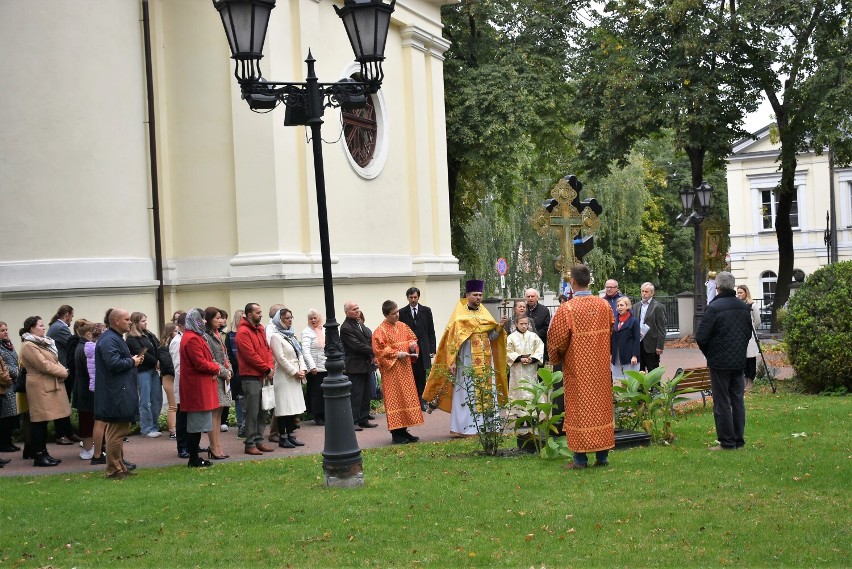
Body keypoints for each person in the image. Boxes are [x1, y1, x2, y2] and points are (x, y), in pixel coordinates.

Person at [547, 264, 615, 469]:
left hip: (578, 370)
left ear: (572, 282)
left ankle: (580, 460)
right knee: (601, 409)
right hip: (601, 367)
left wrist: (555, 358)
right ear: (589, 282)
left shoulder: (567, 308)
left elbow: (556, 339)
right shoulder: (604, 306)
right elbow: (611, 329)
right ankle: (602, 458)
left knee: (579, 410)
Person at [423, 279, 508, 437]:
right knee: (466, 393)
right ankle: (464, 429)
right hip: (466, 363)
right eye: (475, 294)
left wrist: (499, 327)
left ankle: (488, 427)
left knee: (486, 393)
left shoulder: (485, 314)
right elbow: (452, 343)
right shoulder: (459, 317)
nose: (478, 297)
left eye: (480, 295)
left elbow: (493, 337)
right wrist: (452, 361)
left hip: (485, 363)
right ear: (467, 295)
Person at [697, 272, 753, 451]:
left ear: (717, 286)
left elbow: (702, 337)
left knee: (722, 402)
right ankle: (738, 440)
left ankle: (727, 442)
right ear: (733, 286)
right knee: (737, 400)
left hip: (720, 362)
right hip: (738, 360)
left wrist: (710, 354)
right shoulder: (743, 307)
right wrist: (739, 350)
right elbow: (747, 333)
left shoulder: (714, 307)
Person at [94, 309, 143, 479]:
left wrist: (132, 361)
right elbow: (113, 363)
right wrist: (132, 361)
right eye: (127, 319)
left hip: (118, 390)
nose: (130, 322)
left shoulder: (114, 338)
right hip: (116, 393)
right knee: (117, 432)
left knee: (117, 431)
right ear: (116, 321)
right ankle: (114, 470)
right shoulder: (109, 340)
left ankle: (119, 467)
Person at [18, 315, 71, 468]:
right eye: (40, 325)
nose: (43, 328)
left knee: (43, 421)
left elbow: (53, 360)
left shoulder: (43, 343)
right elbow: (43, 365)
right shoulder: (29, 345)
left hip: (47, 384)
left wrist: (62, 368)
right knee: (39, 421)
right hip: (39, 386)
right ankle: (39, 455)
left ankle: (44, 453)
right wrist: (64, 372)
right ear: (31, 328)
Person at [372, 300, 424, 444]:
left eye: (397, 312)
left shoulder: (403, 326)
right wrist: (397, 354)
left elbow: (412, 338)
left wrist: (413, 347)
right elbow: (379, 350)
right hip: (392, 372)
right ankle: (396, 433)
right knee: (395, 400)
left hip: (405, 370)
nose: (397, 315)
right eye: (394, 313)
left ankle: (404, 431)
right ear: (386, 314)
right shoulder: (380, 331)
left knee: (406, 399)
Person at [179, 308, 225, 467]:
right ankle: (194, 458)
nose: (205, 321)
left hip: (200, 385)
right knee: (196, 425)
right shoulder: (192, 338)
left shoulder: (194, 336)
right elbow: (199, 363)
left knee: (198, 424)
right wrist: (216, 369)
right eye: (202, 319)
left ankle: (195, 458)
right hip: (197, 387)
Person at [235, 303, 276, 456]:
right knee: (252, 412)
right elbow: (250, 355)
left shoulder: (260, 329)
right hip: (251, 376)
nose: (261, 315)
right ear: (249, 314)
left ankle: (259, 439)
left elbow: (267, 350)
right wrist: (266, 368)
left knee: (263, 410)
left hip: (264, 375)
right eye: (258, 312)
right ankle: (250, 443)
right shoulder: (243, 332)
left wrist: (270, 367)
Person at [269, 308, 307, 449]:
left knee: (293, 408)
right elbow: (280, 358)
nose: (290, 320)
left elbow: (300, 354)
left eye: (291, 317)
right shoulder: (275, 337)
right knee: (284, 408)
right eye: (286, 318)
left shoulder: (291, 336)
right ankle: (283, 437)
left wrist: (302, 369)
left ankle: (291, 435)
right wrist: (294, 372)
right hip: (284, 377)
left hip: (295, 375)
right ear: (279, 320)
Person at [397, 287, 437, 411]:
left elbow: (431, 330)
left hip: (423, 349)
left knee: (421, 376)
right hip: (409, 350)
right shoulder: (402, 312)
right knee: (410, 376)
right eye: (411, 298)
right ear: (407, 298)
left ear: (418, 297)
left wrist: (432, 348)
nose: (413, 300)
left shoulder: (426, 311)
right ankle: (412, 402)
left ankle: (423, 401)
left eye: (415, 297)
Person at [340, 301, 378, 431]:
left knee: (365, 394)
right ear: (347, 312)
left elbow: (369, 339)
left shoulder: (359, 324)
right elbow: (356, 345)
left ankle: (363, 418)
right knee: (356, 394)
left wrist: (373, 354)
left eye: (358, 308)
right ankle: (354, 421)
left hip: (366, 364)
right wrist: (374, 351)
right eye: (354, 309)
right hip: (355, 365)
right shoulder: (345, 328)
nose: (357, 311)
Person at [46, 304, 80, 445]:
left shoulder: (56, 326)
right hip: (63, 371)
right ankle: (62, 434)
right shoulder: (60, 328)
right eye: (71, 316)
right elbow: (74, 343)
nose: (71, 319)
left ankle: (68, 432)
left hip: (63, 370)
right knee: (61, 404)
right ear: (66, 315)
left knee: (64, 403)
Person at [126, 312, 163, 437]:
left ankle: (154, 426)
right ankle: (146, 428)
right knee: (145, 401)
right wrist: (156, 361)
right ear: (135, 323)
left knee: (157, 399)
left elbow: (159, 346)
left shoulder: (148, 334)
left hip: (153, 370)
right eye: (143, 321)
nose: (146, 323)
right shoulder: (131, 338)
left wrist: (160, 360)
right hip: (142, 371)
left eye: (146, 320)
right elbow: (141, 353)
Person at [203, 307, 232, 459]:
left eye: (221, 318)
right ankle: (213, 446)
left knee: (219, 414)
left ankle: (218, 445)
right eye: (217, 318)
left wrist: (230, 370)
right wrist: (225, 372)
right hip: (216, 377)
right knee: (214, 414)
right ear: (209, 319)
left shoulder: (218, 334)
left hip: (223, 378)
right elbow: (211, 358)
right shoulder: (205, 336)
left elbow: (225, 355)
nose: (220, 321)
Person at [506, 316, 544, 416]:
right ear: (516, 324)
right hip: (517, 369)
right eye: (521, 324)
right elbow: (507, 351)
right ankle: (520, 417)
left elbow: (540, 348)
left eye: (526, 324)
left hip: (531, 369)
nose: (524, 326)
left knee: (531, 390)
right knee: (519, 391)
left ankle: (533, 415)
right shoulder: (511, 337)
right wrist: (519, 358)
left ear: (528, 324)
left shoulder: (533, 336)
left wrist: (532, 359)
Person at [70, 320, 97, 460]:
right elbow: (91, 371)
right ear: (88, 333)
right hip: (87, 389)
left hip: (82, 387)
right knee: (87, 420)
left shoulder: (80, 346)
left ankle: (89, 448)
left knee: (86, 419)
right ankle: (88, 449)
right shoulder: (86, 348)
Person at [85, 323, 108, 465]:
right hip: (102, 386)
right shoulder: (98, 349)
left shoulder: (90, 348)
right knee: (101, 422)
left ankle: (99, 452)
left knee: (100, 421)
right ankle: (98, 454)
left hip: (96, 386)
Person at [301, 309, 326, 426]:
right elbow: (306, 352)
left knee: (324, 392)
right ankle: (317, 416)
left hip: (325, 366)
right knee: (316, 393)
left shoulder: (323, 330)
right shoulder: (306, 332)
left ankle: (325, 414)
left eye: (315, 318)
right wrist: (312, 367)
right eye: (311, 318)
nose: (313, 320)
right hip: (315, 368)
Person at [170, 313, 190, 458]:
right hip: (183, 384)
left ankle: (190, 444)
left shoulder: (187, 338)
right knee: (182, 416)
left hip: (190, 383)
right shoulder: (177, 341)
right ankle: (182, 446)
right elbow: (178, 366)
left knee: (190, 417)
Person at [0, 322, 21, 456]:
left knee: (11, 416)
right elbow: (5, 366)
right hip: (6, 383)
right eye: (2, 330)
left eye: (6, 329)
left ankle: (8, 441)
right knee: (5, 417)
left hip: (13, 383)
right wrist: (17, 373)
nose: (6, 332)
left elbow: (14, 360)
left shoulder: (8, 345)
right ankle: (4, 443)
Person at [736, 285, 761, 392]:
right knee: (743, 357)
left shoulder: (752, 305)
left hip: (750, 336)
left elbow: (757, 320)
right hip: (739, 335)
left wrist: (751, 329)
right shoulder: (737, 305)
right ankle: (744, 379)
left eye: (741, 292)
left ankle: (750, 379)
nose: (739, 294)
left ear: (746, 293)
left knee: (750, 357)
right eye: (738, 292)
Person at [637, 282, 667, 372]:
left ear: (652, 293)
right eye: (642, 291)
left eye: (646, 291)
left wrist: (660, 345)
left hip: (651, 345)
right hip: (638, 344)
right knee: (639, 373)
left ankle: (655, 387)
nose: (644, 293)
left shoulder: (658, 307)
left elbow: (662, 328)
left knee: (653, 374)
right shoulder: (636, 306)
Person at [225, 310, 246, 436]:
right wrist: (237, 366)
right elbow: (229, 353)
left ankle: (247, 425)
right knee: (239, 398)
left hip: (248, 369)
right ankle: (240, 424)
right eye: (241, 318)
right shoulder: (230, 335)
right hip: (237, 371)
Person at [611, 297, 641, 381]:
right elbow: (613, 338)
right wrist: (611, 354)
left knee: (630, 380)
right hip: (617, 355)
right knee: (619, 379)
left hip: (629, 355)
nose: (619, 307)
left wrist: (635, 355)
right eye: (618, 306)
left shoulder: (634, 321)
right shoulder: (615, 321)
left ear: (627, 306)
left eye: (622, 305)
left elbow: (636, 339)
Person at [158, 323, 178, 439]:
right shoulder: (163, 348)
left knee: (178, 405)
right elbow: (168, 365)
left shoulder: (175, 345)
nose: (177, 334)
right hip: (169, 378)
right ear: (170, 333)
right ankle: (172, 430)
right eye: (175, 331)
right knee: (173, 405)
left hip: (176, 377)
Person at [525, 288, 551, 361]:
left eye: (532, 296)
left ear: (537, 297)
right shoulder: (522, 310)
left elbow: (546, 327)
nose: (530, 298)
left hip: (539, 344)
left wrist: (534, 336)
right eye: (528, 296)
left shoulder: (544, 310)